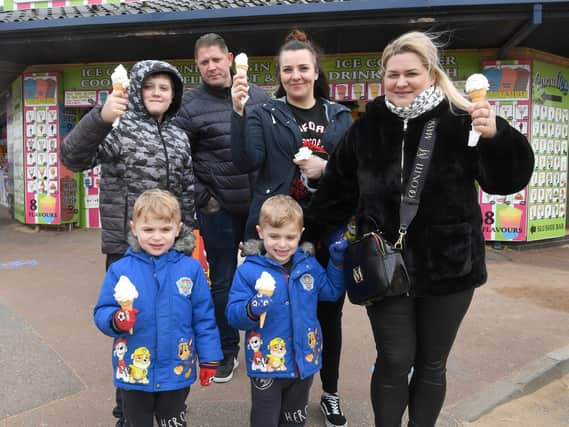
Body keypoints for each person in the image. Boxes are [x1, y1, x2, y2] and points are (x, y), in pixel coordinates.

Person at [305, 31, 535, 427]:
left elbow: (507, 180)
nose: (401, 82)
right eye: (392, 74)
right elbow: (336, 193)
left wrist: (499, 136)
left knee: (431, 363)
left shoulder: (463, 120)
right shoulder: (366, 128)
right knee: (394, 359)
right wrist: (304, 239)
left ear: (430, 73)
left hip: (449, 265)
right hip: (383, 266)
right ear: (383, 77)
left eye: (411, 73)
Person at [61, 60, 195, 426]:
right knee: (130, 328)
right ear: (136, 89)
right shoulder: (117, 129)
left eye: (164, 87)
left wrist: (189, 239)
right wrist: (100, 117)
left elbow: (186, 191)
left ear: (174, 95)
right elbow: (72, 156)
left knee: (170, 325)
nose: (156, 92)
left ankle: (169, 400)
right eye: (149, 85)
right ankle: (127, 408)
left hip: (172, 251)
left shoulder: (179, 135)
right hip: (127, 251)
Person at [231, 29, 353, 427]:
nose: (296, 75)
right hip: (275, 229)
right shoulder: (265, 112)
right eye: (288, 69)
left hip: (322, 230)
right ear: (279, 74)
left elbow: (353, 172)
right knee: (272, 310)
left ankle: (329, 392)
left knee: (326, 315)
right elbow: (247, 160)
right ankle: (273, 387)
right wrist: (239, 112)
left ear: (316, 70)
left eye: (303, 67)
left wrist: (326, 168)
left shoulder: (339, 116)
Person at [175, 33, 269, 383]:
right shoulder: (189, 105)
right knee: (224, 283)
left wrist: (269, 196)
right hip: (218, 211)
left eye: (217, 59)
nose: (212, 67)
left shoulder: (258, 96)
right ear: (197, 66)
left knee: (264, 280)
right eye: (204, 62)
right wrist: (205, 200)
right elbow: (181, 159)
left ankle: (262, 345)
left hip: (259, 208)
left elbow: (271, 147)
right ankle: (228, 350)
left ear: (230, 58)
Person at [94, 189, 223, 427]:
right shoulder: (120, 270)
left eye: (165, 230)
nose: (157, 237)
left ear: (178, 228)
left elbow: (204, 318)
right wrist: (115, 319)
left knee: (173, 422)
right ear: (134, 228)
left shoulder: (191, 270)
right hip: (134, 370)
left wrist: (209, 358)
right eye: (148, 230)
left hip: (176, 368)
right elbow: (102, 311)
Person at [226, 195, 347, 427]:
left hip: (304, 362)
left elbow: (331, 292)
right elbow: (233, 315)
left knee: (294, 421)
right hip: (266, 366)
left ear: (301, 233)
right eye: (274, 236)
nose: (282, 244)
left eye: (290, 237)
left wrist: (338, 262)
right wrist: (251, 308)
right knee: (265, 420)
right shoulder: (248, 271)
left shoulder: (309, 266)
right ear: (261, 232)